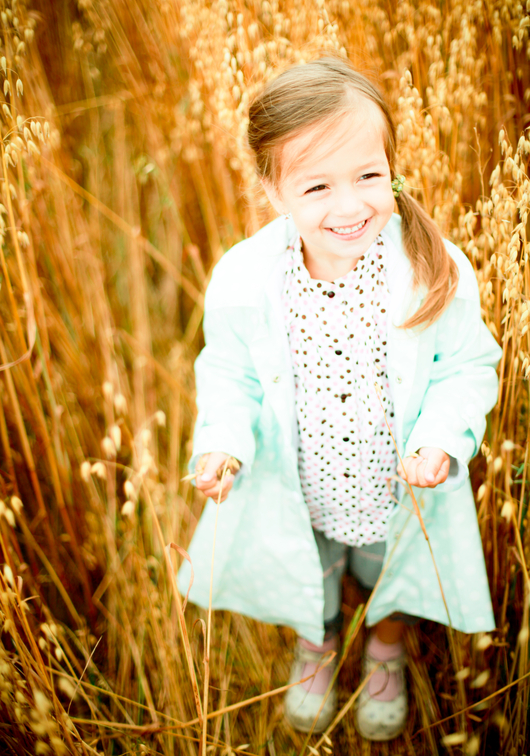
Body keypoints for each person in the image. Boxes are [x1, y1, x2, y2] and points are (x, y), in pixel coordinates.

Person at [178, 57, 501, 740]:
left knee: (392, 578)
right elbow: (229, 372)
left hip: (397, 488)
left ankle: (385, 650)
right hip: (304, 489)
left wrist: (441, 437)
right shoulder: (247, 278)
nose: (350, 206)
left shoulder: (433, 269)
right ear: (274, 190)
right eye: (318, 186)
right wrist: (223, 443)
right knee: (313, 576)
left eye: (367, 177)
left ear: (391, 168)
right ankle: (318, 646)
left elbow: (467, 366)